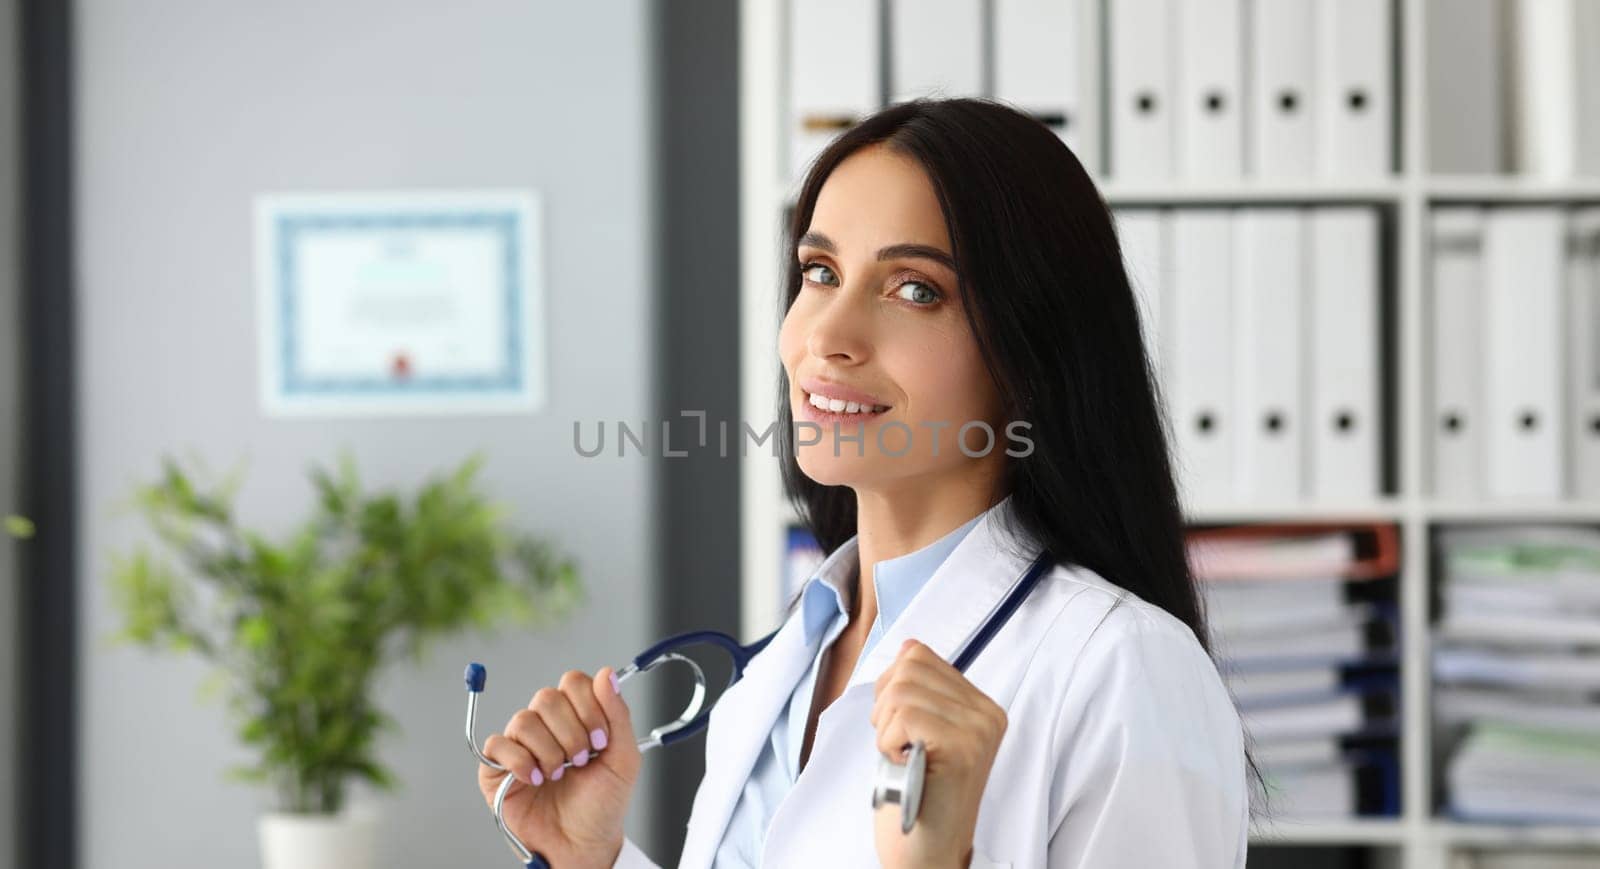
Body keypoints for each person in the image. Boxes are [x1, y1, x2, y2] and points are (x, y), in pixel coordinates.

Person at [477, 97, 1258, 868]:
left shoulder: (1122, 669)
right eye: (819, 272)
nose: (826, 335)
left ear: (1031, 353)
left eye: (915, 288)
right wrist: (593, 859)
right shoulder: (785, 663)